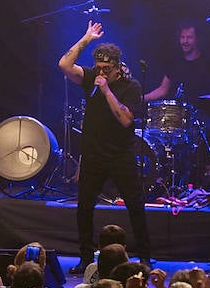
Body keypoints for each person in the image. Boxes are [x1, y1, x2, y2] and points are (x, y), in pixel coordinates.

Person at [59, 21, 151, 273]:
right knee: (84, 207)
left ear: (118, 67)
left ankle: (144, 256)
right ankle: (86, 257)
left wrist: (106, 89)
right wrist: (86, 38)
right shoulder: (91, 78)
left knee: (134, 205)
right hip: (93, 155)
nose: (101, 72)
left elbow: (125, 119)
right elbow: (64, 65)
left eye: (106, 68)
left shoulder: (130, 87)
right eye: (98, 67)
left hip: (121, 154)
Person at [145, 20, 210, 102]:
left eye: (189, 37)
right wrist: (142, 98)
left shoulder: (208, 63)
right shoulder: (175, 63)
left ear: (197, 39)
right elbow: (163, 90)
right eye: (182, 37)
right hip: (180, 112)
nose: (185, 41)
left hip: (203, 111)